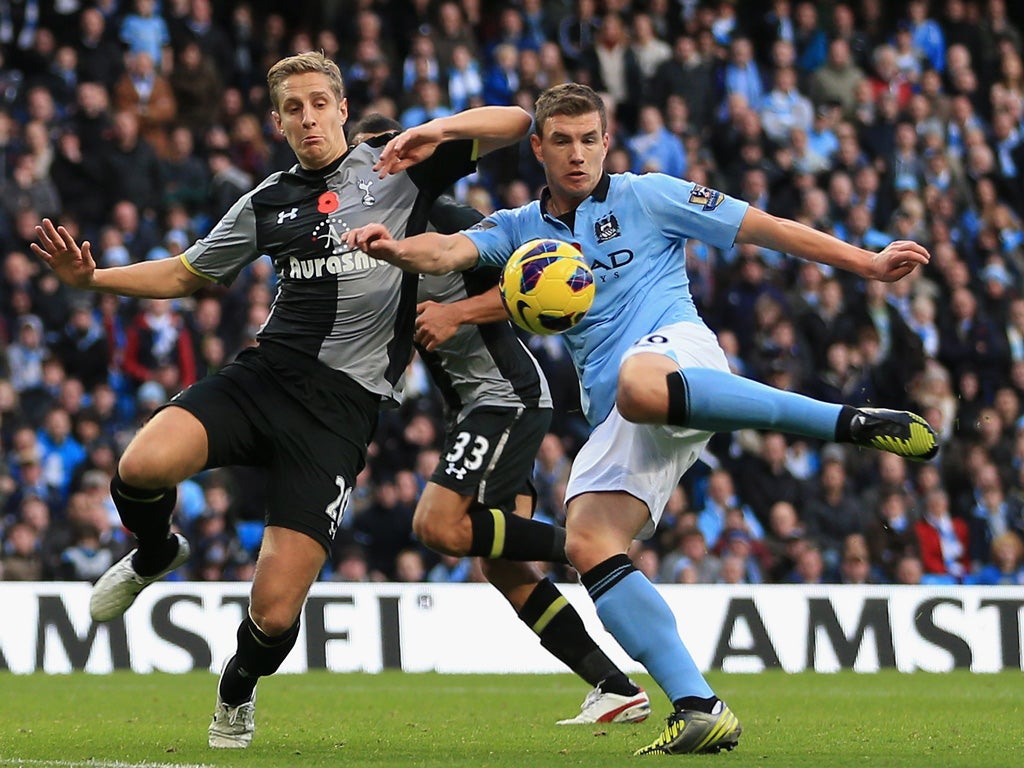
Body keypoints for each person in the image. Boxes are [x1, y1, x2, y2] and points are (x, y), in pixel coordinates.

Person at [343, 82, 939, 756]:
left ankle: (846, 422)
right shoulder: (518, 229)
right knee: (587, 540)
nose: (577, 155)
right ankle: (698, 706)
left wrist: (865, 260)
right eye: (562, 141)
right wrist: (395, 249)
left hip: (677, 358)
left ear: (607, 141)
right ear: (537, 147)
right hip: (624, 410)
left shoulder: (647, 195)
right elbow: (451, 251)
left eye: (589, 139)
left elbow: (761, 228)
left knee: (636, 381)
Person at [31, 51, 532, 749]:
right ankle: (152, 552)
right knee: (140, 465)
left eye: (319, 103)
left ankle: (236, 690)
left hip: (337, 415)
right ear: (278, 123)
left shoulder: (401, 165)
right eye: (293, 109)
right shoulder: (268, 200)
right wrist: (91, 281)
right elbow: (185, 274)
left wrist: (438, 129)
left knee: (271, 615)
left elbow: (518, 120)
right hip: (262, 379)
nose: (308, 118)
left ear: (342, 108)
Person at [347, 113, 651, 726]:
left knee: (438, 525)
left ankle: (589, 548)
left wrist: (459, 316)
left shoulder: (450, 220)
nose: (363, 179)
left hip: (504, 395)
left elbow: (553, 274)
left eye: (372, 162)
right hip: (476, 402)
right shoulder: (373, 242)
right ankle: (615, 686)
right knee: (500, 562)